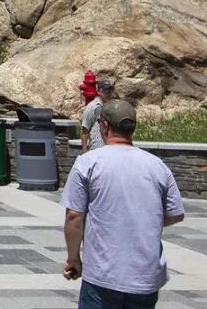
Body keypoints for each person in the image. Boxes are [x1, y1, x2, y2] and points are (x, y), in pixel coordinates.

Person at [62, 99, 184, 308]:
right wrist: (141, 219)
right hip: (145, 277)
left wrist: (73, 259)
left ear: (104, 126)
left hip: (102, 275)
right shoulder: (157, 165)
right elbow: (176, 214)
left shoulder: (88, 162)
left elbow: (74, 217)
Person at [80, 79, 115, 153]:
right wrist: (84, 151)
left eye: (110, 90)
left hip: (110, 150)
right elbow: (85, 131)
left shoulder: (112, 107)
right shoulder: (92, 107)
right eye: (106, 91)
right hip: (96, 150)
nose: (109, 93)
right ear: (99, 91)